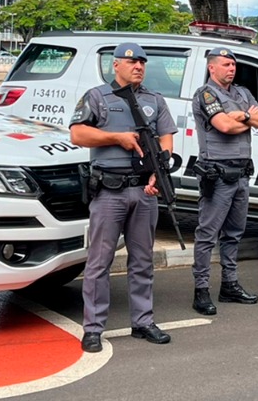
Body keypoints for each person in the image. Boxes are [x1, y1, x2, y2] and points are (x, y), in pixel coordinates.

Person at [71, 42, 176, 353]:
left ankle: (143, 321)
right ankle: (93, 328)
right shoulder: (97, 97)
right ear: (115, 65)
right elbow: (77, 134)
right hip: (109, 192)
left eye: (142, 62)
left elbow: (167, 135)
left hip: (144, 190)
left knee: (143, 261)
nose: (138, 67)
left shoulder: (154, 100)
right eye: (131, 62)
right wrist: (116, 138)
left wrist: (162, 167)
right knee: (99, 262)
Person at [189, 47, 258, 315]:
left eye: (233, 64)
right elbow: (224, 126)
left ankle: (230, 285)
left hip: (241, 174)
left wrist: (240, 116)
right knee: (208, 235)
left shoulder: (243, 93)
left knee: (234, 234)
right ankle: (201, 290)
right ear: (212, 68)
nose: (231, 69)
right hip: (218, 174)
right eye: (225, 65)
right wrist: (248, 117)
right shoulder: (206, 94)